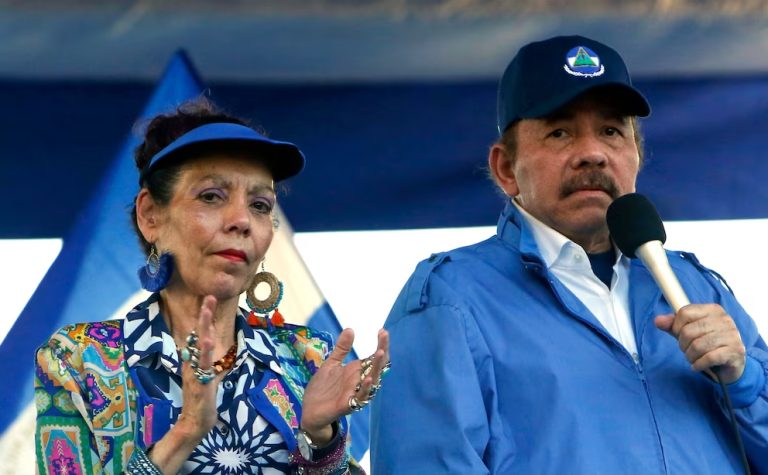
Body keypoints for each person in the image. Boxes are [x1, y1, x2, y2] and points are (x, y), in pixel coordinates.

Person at [370, 35, 768, 474]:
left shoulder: (696, 287)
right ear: (506, 168)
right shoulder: (450, 297)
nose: (592, 154)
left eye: (611, 131)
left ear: (636, 156)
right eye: (559, 132)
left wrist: (744, 382)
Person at [34, 98, 389, 475]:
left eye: (260, 205)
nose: (241, 220)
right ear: (150, 215)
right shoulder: (78, 360)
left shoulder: (308, 357)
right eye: (211, 196)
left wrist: (321, 440)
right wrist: (186, 431)